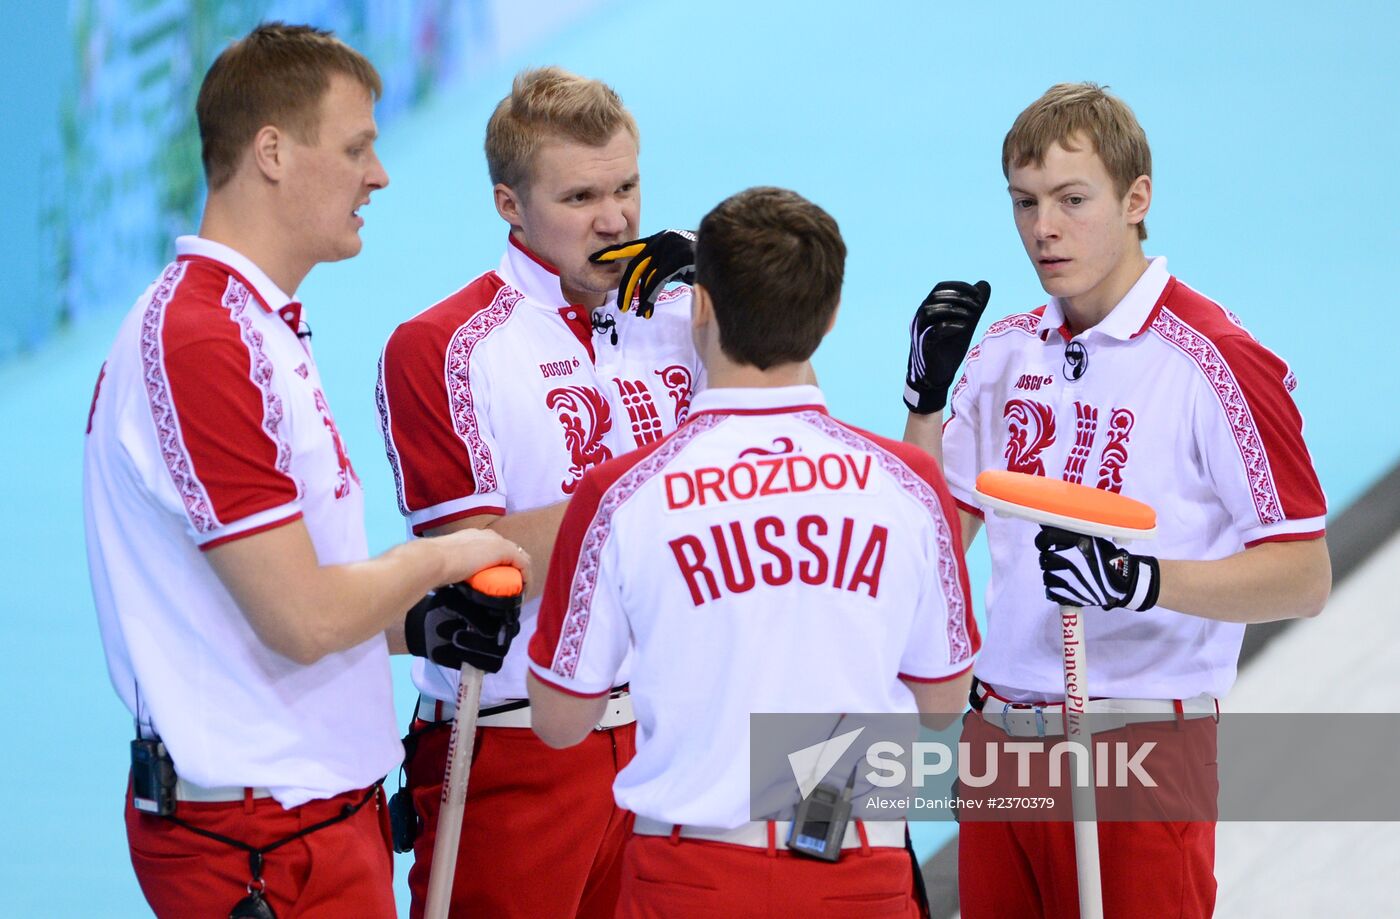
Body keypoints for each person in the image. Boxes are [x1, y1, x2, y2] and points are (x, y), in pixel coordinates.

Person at [83, 24, 528, 918]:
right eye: (356, 147)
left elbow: (270, 596)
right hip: (261, 840)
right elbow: (301, 616)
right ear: (273, 153)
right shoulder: (203, 341)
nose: (379, 175)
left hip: (306, 817)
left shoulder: (255, 326)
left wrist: (410, 624)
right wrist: (446, 556)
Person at [901, 82, 1331, 917]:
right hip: (999, 743)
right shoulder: (1004, 351)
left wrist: (1141, 580)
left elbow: (1303, 574)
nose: (1043, 228)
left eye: (1072, 199)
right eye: (1024, 202)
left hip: (1139, 748)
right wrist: (923, 406)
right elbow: (932, 550)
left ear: (1137, 200)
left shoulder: (1217, 361)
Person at [527, 186, 979, 919]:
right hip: (857, 870)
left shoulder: (621, 493)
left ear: (700, 306)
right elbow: (943, 701)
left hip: (689, 874)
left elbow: (559, 720)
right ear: (830, 316)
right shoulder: (908, 481)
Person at [375, 66, 702, 918]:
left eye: (627, 187)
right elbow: (476, 564)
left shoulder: (693, 317)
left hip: (679, 734)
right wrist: (678, 479)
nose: (616, 219)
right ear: (509, 205)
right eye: (581, 196)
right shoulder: (441, 345)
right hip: (518, 748)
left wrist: (736, 287)